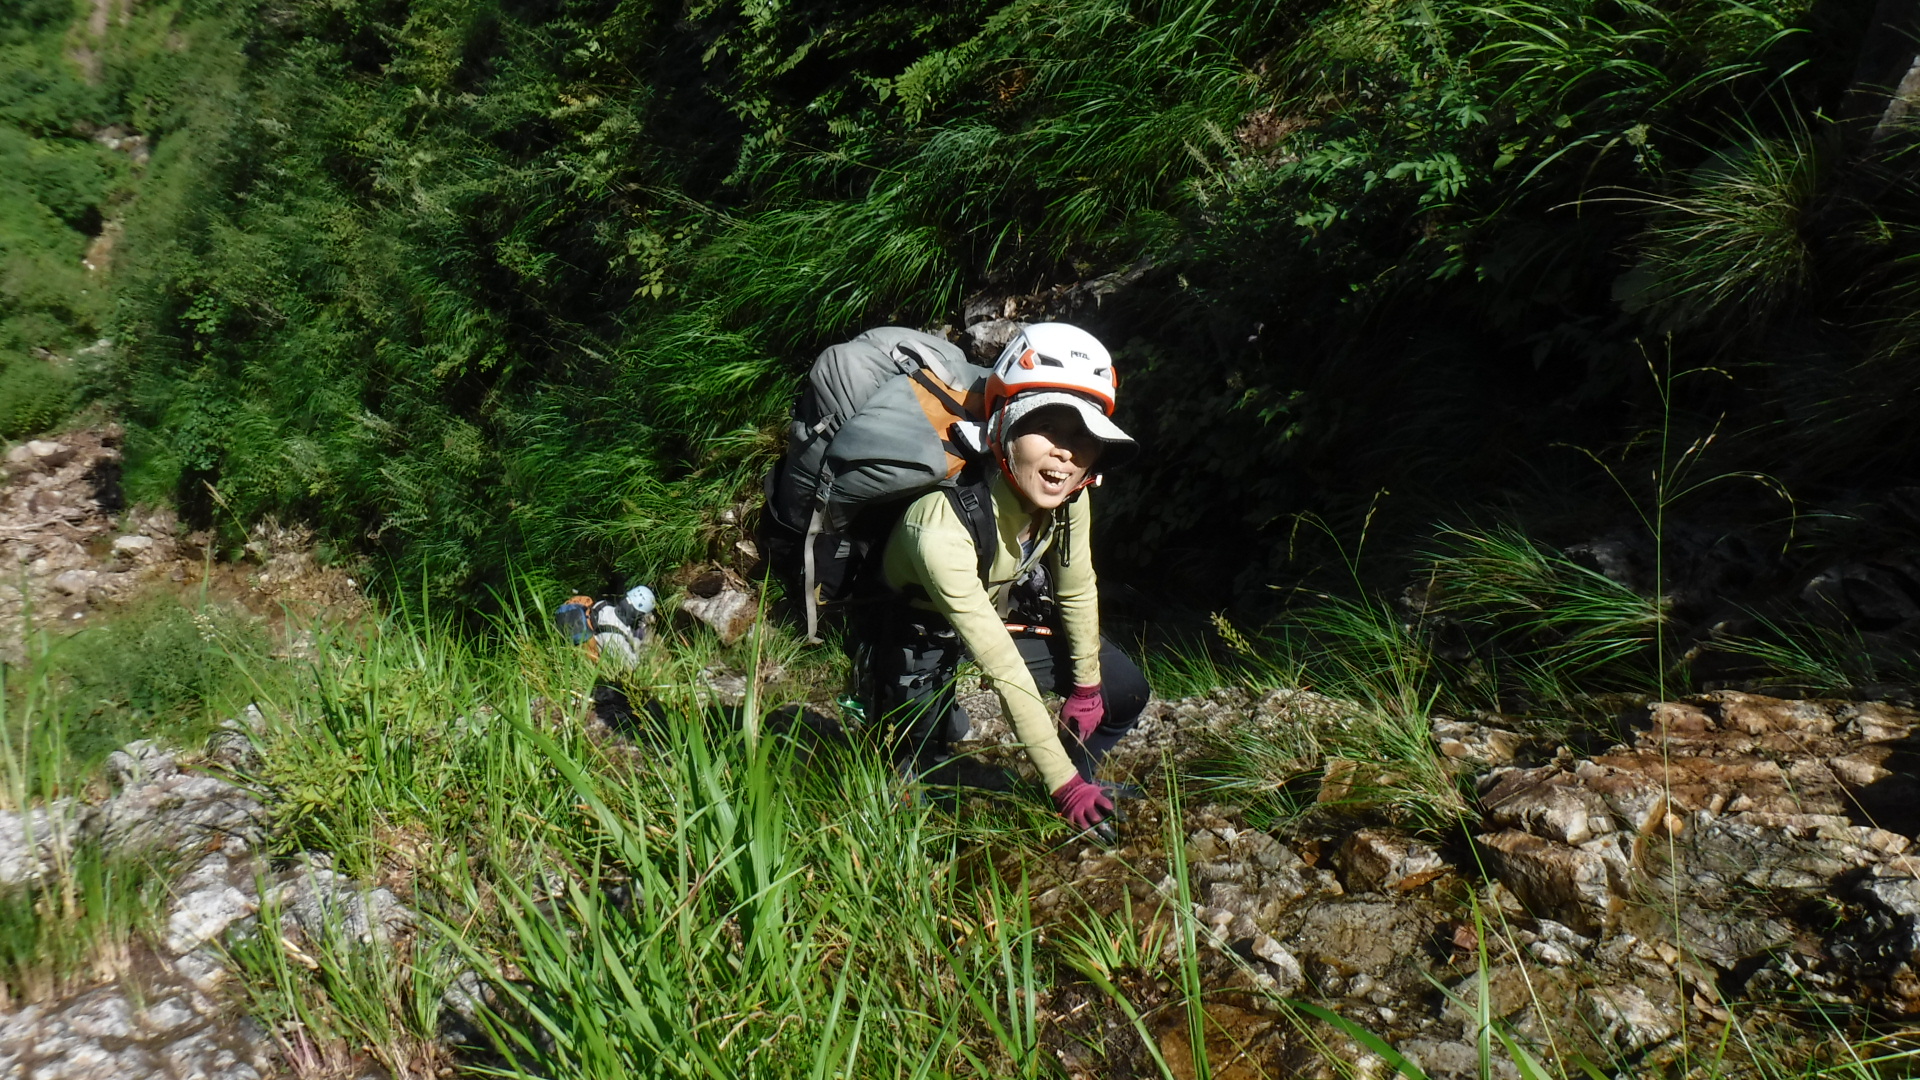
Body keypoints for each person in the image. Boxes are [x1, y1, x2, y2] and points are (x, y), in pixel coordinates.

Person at [859, 322, 1150, 839]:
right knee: (917, 779)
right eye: (1051, 428)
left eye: (1086, 437)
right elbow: (1002, 666)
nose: (1067, 452)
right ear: (1003, 428)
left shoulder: (1070, 495)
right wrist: (1062, 784)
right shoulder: (938, 523)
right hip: (917, 628)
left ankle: (1077, 779)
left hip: (995, 610)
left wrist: (1085, 686)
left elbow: (1077, 586)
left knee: (1119, 691)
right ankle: (889, 698)